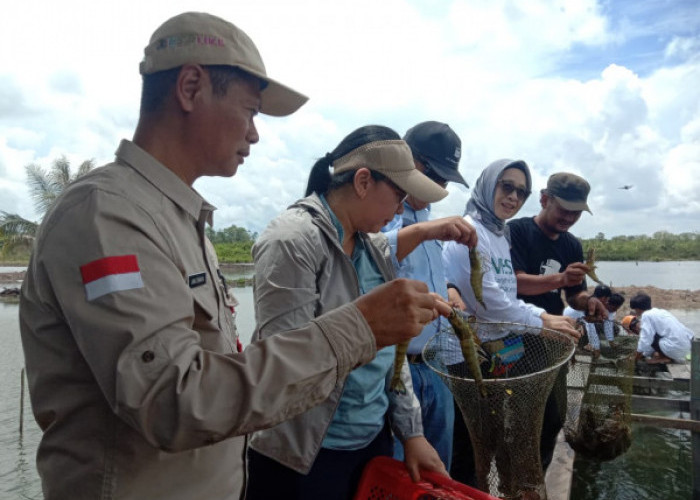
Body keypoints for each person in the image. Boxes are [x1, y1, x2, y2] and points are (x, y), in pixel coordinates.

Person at [18, 13, 451, 500]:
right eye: (249, 111)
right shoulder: (106, 217)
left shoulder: (180, 219)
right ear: (189, 87)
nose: (254, 134)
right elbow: (172, 402)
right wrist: (362, 327)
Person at [246, 125, 473, 500]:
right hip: (304, 454)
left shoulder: (373, 249)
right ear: (364, 182)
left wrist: (412, 433)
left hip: (369, 444)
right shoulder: (292, 240)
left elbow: (392, 356)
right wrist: (367, 324)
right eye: (398, 196)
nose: (401, 209)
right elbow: (282, 364)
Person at [442, 159, 580, 485]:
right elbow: (489, 301)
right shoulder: (470, 231)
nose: (513, 197)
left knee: (498, 431)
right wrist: (542, 317)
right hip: (467, 355)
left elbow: (506, 293)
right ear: (489, 184)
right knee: (468, 445)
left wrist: (544, 316)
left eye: (521, 191)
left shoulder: (499, 234)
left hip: (501, 347)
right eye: (507, 187)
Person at [381, 121, 474, 470]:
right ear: (409, 162)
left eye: (445, 180)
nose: (439, 186)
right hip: (398, 368)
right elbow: (371, 256)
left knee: (439, 468)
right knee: (404, 473)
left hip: (436, 366)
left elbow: (435, 274)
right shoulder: (385, 214)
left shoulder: (428, 219)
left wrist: (450, 289)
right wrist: (422, 231)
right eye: (434, 175)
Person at [507, 171, 606, 471]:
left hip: (551, 339)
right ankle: (509, 471)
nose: (569, 217)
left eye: (576, 212)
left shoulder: (571, 246)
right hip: (513, 334)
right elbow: (515, 284)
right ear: (544, 199)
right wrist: (560, 278)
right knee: (514, 408)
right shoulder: (516, 232)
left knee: (553, 415)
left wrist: (587, 301)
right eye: (564, 208)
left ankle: (535, 473)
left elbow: (573, 294)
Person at [629, 293, 694, 363]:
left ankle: (664, 357)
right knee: (655, 333)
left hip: (674, 349)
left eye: (635, 309)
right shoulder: (661, 311)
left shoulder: (646, 315)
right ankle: (663, 355)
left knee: (649, 334)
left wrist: (636, 357)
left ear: (638, 308)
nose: (635, 311)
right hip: (686, 347)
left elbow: (645, 339)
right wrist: (644, 354)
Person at [563, 284, 616, 356]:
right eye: (607, 299)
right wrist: (596, 349)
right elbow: (590, 329)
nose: (607, 302)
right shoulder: (588, 305)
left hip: (573, 325)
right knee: (588, 329)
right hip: (566, 330)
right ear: (603, 298)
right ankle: (575, 349)